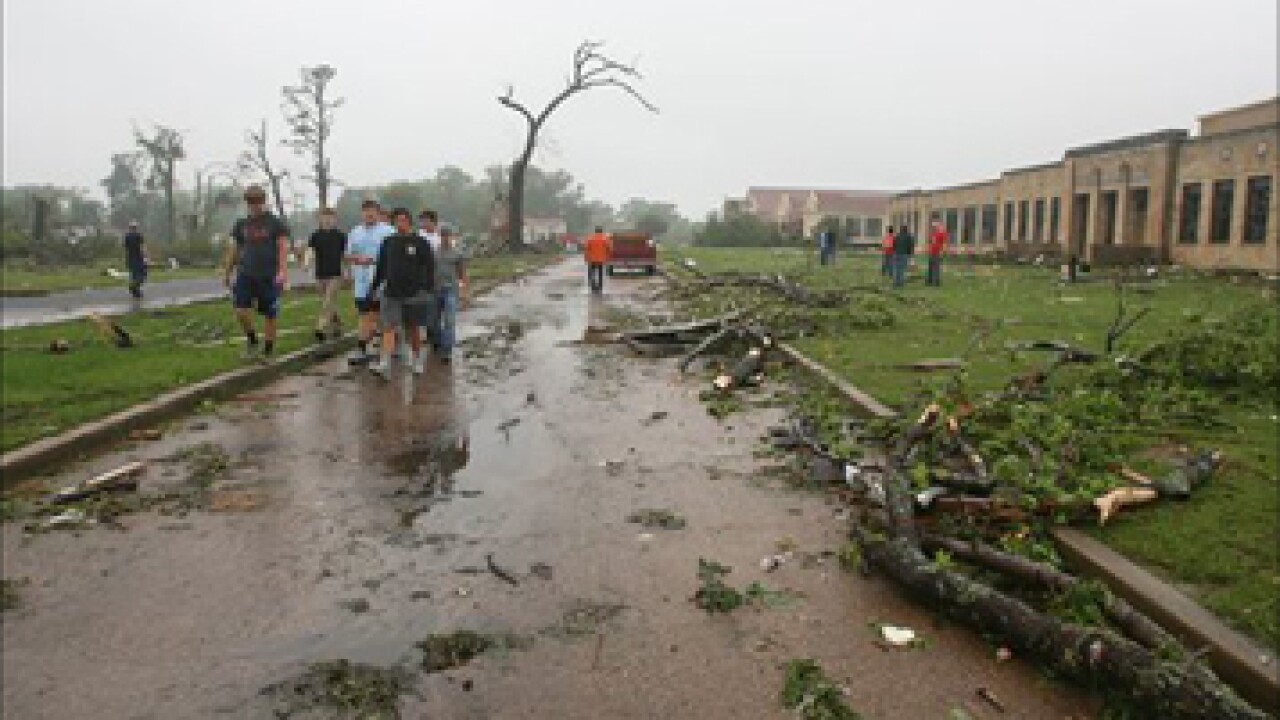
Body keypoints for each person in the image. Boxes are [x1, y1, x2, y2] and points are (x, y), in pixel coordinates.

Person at [365, 208, 435, 377]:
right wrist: (374, 287)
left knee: (413, 329)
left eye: (403, 220)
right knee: (388, 328)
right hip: (391, 292)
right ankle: (384, 363)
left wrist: (426, 287)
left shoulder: (421, 242)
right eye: (397, 221)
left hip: (414, 293)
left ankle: (417, 360)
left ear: (409, 222)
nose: (400, 223)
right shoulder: (388, 242)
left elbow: (429, 266)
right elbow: (381, 267)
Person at [224, 185, 290, 360]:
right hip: (246, 273)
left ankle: (268, 351)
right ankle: (252, 339)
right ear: (247, 203)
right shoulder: (241, 224)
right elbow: (235, 249)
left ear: (264, 201)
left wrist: (283, 271)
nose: (255, 205)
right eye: (251, 202)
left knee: (270, 314)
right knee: (240, 311)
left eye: (258, 201)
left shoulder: (275, 223)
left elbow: (283, 247)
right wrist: (227, 272)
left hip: (269, 275)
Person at [345, 199, 393, 365]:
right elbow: (347, 255)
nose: (369, 215)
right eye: (366, 212)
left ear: (378, 213)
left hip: (382, 280)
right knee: (365, 315)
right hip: (362, 280)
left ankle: (369, 346)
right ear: (362, 214)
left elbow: (395, 254)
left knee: (373, 316)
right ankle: (368, 346)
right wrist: (358, 258)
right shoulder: (355, 232)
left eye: (372, 211)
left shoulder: (388, 231)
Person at [306, 208, 346, 343]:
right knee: (328, 302)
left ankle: (320, 328)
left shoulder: (340, 236)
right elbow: (310, 250)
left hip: (335, 274)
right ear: (320, 219)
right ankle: (338, 325)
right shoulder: (315, 236)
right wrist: (307, 262)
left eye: (330, 218)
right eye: (325, 217)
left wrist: (347, 270)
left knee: (327, 302)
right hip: (320, 274)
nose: (328, 220)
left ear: (335, 219)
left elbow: (346, 254)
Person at [433, 222, 469, 363]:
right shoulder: (434, 253)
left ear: (451, 236)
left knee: (449, 320)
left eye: (447, 235)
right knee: (433, 321)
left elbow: (463, 273)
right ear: (439, 236)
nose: (445, 237)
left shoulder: (457, 254)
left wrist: (465, 292)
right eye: (442, 235)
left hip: (451, 291)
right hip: (435, 291)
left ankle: (446, 350)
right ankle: (437, 341)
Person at [123, 220, 148, 299]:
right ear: (136, 228)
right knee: (142, 274)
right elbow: (142, 247)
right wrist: (145, 256)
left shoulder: (127, 237)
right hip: (138, 257)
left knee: (134, 274)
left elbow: (126, 248)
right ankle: (135, 288)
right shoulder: (139, 236)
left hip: (130, 258)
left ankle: (136, 292)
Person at [584, 226, 611, 294]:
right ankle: (600, 287)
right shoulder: (605, 239)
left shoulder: (590, 238)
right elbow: (609, 248)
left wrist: (586, 258)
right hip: (601, 259)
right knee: (600, 273)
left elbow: (587, 248)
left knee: (592, 272)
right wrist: (607, 258)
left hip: (592, 259)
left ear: (595, 231)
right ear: (601, 231)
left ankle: (593, 286)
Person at [892, 224, 915, 289]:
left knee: (896, 268)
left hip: (896, 254)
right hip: (904, 254)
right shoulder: (909, 237)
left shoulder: (897, 236)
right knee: (902, 269)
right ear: (906, 230)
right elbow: (911, 247)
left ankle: (895, 282)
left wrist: (895, 251)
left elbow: (894, 245)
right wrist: (911, 255)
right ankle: (900, 283)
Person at [926, 220, 948, 286]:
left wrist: (942, 252)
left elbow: (944, 244)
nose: (933, 227)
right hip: (931, 252)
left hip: (937, 252)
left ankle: (936, 282)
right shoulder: (933, 233)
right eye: (933, 226)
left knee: (936, 268)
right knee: (931, 267)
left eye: (934, 226)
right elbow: (930, 242)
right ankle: (930, 281)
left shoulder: (942, 233)